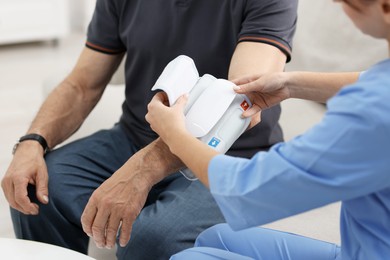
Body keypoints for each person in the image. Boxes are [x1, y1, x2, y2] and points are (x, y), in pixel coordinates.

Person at [1, 0, 298, 259]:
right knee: (38, 187)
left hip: (231, 156)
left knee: (153, 237)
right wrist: (32, 142)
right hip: (133, 139)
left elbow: (241, 100)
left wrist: (142, 171)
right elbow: (82, 84)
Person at [145, 0, 390, 258]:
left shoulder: (371, 113)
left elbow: (247, 189)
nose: (336, 3)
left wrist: (176, 135)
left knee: (188, 258)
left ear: (385, 7)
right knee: (216, 238)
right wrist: (290, 84)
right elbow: (372, 80)